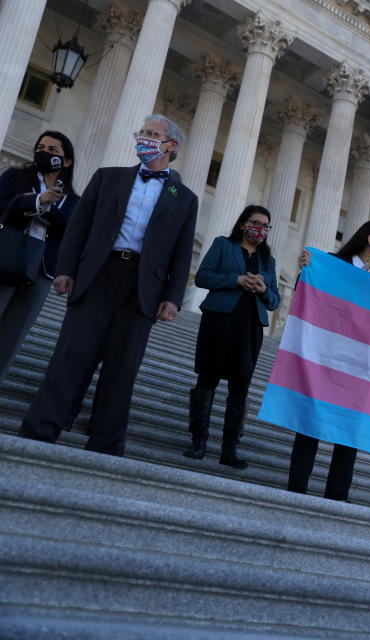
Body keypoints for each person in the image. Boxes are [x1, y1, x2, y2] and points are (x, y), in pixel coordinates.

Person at [19, 114, 198, 456]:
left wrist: (174, 297)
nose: (143, 138)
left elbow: (181, 251)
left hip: (143, 287)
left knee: (123, 367)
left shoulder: (184, 197)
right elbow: (78, 228)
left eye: (152, 134)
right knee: (70, 357)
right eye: (142, 132)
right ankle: (39, 431)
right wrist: (65, 269)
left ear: (171, 146)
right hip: (98, 274)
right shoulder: (108, 178)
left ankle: (106, 444)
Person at [287, 220, 370, 501]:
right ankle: (296, 489)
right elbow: (306, 294)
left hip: (358, 365)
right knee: (310, 423)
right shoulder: (330, 263)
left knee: (348, 432)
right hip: (324, 357)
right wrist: (306, 270)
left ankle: (337, 496)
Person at [183, 205, 280, 470]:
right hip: (220, 320)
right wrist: (235, 280)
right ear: (242, 224)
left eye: (265, 225)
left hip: (250, 326)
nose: (260, 229)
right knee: (207, 378)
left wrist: (262, 288)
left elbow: (274, 300)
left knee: (241, 386)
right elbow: (203, 277)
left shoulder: (268, 261)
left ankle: (230, 449)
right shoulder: (223, 245)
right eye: (255, 223)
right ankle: (198, 442)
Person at [0, 131, 79, 381]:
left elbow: (73, 233)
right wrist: (36, 201)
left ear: (66, 161)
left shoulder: (74, 200)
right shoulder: (15, 177)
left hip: (42, 268)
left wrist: (48, 209)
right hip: (7, 255)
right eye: (41, 147)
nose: (44, 153)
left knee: (14, 332)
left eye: (53, 151)